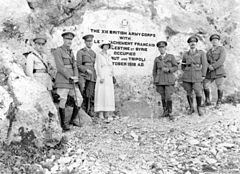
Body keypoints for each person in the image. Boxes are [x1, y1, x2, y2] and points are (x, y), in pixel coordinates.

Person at [52, 31, 83, 131]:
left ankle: (72, 120)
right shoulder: (58, 51)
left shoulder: (71, 52)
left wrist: (76, 77)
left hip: (72, 81)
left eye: (70, 40)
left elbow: (74, 66)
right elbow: (60, 67)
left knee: (79, 99)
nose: (69, 41)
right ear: (63, 40)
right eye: (67, 39)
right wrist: (70, 77)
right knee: (63, 100)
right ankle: (63, 124)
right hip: (63, 80)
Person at [181, 36, 208, 116]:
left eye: (194, 42)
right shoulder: (185, 54)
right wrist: (186, 70)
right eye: (191, 42)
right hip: (187, 76)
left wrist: (203, 75)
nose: (192, 43)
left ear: (196, 43)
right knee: (188, 93)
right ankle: (191, 108)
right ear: (189, 44)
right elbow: (183, 64)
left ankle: (199, 108)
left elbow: (205, 64)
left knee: (198, 92)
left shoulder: (201, 53)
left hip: (197, 75)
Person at [152, 41, 178, 120]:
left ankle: (170, 112)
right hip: (160, 81)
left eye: (163, 47)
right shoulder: (157, 59)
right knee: (163, 96)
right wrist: (155, 79)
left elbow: (176, 67)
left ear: (165, 48)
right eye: (160, 48)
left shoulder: (171, 57)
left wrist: (169, 69)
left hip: (168, 80)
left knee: (168, 96)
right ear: (158, 49)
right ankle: (165, 111)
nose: (161, 49)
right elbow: (154, 71)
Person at [203, 34, 226, 108]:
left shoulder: (221, 49)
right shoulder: (209, 52)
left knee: (220, 86)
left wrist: (213, 66)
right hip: (210, 72)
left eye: (216, 40)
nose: (214, 42)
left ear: (219, 41)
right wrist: (208, 67)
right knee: (205, 85)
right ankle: (207, 101)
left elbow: (221, 60)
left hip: (219, 70)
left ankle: (219, 102)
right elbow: (206, 61)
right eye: (213, 40)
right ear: (211, 42)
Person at [94, 41, 115, 121]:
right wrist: (101, 76)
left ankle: (108, 113)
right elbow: (98, 66)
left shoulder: (109, 55)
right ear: (102, 46)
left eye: (108, 46)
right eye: (105, 45)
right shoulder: (99, 55)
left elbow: (111, 66)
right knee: (101, 93)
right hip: (102, 75)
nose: (106, 47)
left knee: (108, 94)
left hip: (108, 76)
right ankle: (101, 113)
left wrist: (112, 74)